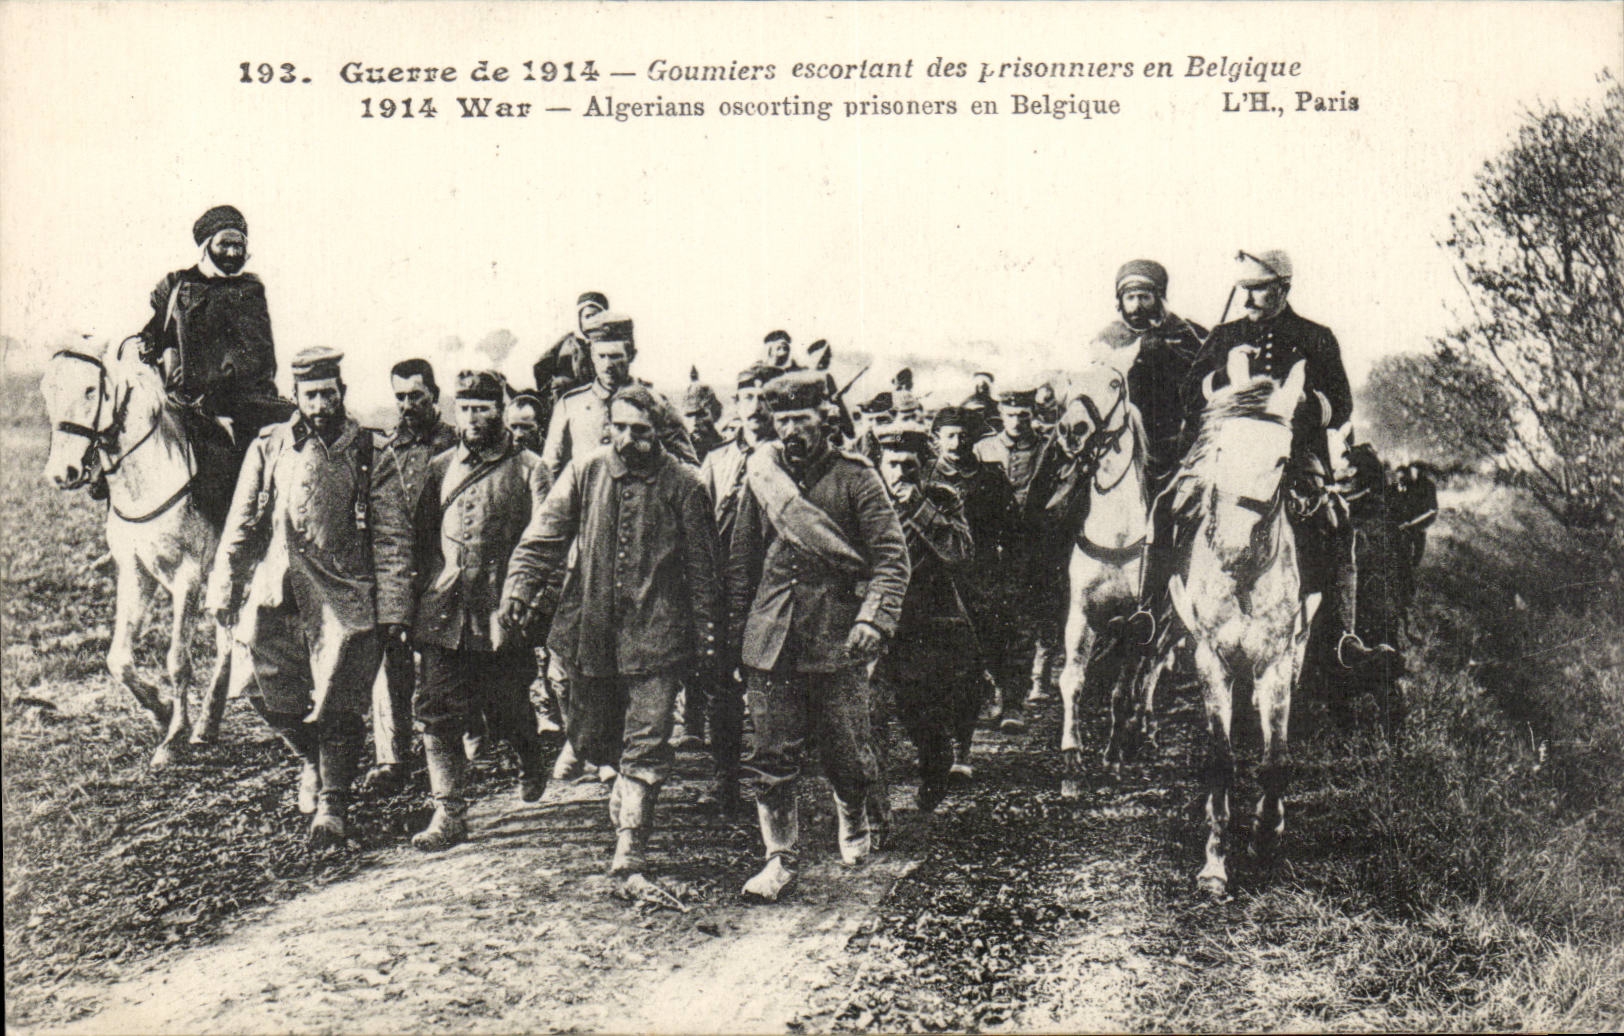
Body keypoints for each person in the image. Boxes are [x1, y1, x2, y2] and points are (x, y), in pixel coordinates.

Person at [503, 385, 723, 876]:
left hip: (658, 636)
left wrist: (708, 642)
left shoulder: (685, 484)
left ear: (659, 432)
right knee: (592, 739)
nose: (628, 440)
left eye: (640, 431)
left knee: (646, 742)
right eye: (619, 428)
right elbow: (544, 537)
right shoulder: (586, 471)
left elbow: (705, 572)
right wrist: (519, 586)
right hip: (592, 633)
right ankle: (624, 795)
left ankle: (631, 842)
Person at [205, 347, 412, 847]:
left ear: (341, 393)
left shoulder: (370, 452)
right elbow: (241, 520)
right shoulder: (269, 446)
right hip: (277, 588)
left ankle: (333, 804)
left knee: (340, 701)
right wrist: (226, 581)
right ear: (295, 397)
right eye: (310, 395)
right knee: (259, 684)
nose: (320, 403)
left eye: (328, 393)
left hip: (345, 596)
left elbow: (392, 538)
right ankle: (310, 761)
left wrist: (393, 608)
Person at [725, 370, 910, 901]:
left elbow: (892, 559)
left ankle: (853, 816)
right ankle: (779, 857)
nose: (791, 431)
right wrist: (739, 635)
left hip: (836, 636)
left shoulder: (857, 476)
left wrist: (873, 619)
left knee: (846, 753)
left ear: (824, 416)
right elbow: (742, 561)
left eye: (801, 419)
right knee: (771, 755)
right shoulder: (763, 475)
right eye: (782, 420)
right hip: (773, 634)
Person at [1180, 249, 1384, 667]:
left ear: (1283, 289)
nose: (1248, 299)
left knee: (1335, 524)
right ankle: (1156, 612)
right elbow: (1187, 395)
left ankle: (1344, 633)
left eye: (1258, 290)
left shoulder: (1316, 337)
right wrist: (1222, 378)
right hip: (1227, 455)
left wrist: (1301, 403)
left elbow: (1341, 406)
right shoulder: (1223, 337)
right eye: (1244, 290)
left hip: (1293, 456)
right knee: (1171, 507)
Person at [402, 371, 557, 850]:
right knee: (436, 709)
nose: (473, 417)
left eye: (484, 407)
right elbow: (421, 541)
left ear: (501, 410)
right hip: (445, 610)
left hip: (502, 611)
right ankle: (449, 813)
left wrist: (535, 605)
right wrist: (415, 603)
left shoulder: (532, 468)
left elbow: (549, 543)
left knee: (507, 708)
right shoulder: (438, 468)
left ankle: (529, 754)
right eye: (465, 407)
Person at [138, 205, 288, 526]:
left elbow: (260, 350)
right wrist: (149, 344)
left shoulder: (251, 289)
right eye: (225, 244)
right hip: (190, 401)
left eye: (239, 245)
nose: (233, 252)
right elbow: (158, 331)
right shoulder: (177, 285)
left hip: (246, 399)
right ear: (207, 245)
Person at [364, 359, 459, 793]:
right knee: (390, 661)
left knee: (448, 662)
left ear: (434, 396)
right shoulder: (385, 451)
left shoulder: (456, 444)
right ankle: (393, 757)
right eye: (399, 397)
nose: (406, 405)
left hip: (443, 568)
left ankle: (458, 743)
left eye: (415, 396)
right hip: (400, 570)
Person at [693, 362, 783, 811]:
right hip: (724, 590)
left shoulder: (787, 457)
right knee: (720, 688)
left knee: (771, 690)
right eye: (747, 397)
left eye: (764, 397)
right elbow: (699, 525)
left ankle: (777, 782)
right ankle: (725, 780)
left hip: (773, 590)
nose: (755, 407)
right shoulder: (717, 460)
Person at [874, 423, 978, 813]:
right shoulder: (867, 500)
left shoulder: (942, 498)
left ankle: (935, 765)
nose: (899, 473)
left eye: (908, 464)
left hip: (929, 621)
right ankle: (873, 812)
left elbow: (960, 553)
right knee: (870, 717)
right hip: (877, 617)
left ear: (924, 465)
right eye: (892, 464)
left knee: (923, 714)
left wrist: (919, 507)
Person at [928, 406, 1010, 781]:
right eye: (949, 435)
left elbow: (1010, 531)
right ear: (936, 439)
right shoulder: (922, 477)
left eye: (963, 435)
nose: (957, 442)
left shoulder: (991, 478)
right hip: (932, 583)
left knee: (969, 668)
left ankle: (963, 749)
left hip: (977, 583)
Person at [1091, 259, 1208, 497]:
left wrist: (1169, 354)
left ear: (1158, 297)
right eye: (1130, 298)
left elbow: (1201, 379)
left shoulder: (1183, 332)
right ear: (1120, 301)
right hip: (1123, 434)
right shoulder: (1109, 338)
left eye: (1144, 297)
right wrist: (1141, 350)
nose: (1137, 305)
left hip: (1175, 435)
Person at [541, 311, 698, 481]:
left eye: (616, 357)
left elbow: (689, 468)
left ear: (631, 355)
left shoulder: (656, 403)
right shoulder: (570, 405)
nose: (608, 365)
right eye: (602, 356)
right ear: (592, 356)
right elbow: (547, 471)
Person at [973, 386, 1046, 729]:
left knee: (1022, 624)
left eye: (1024, 415)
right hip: (987, 548)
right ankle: (994, 694)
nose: (1017, 421)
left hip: (1029, 548)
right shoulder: (982, 449)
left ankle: (1015, 703)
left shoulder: (1047, 450)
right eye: (1011, 414)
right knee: (986, 621)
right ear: (1001, 414)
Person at [531, 290, 607, 412]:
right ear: (580, 319)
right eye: (588, 316)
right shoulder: (568, 342)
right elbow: (541, 366)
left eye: (598, 315)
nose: (593, 320)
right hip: (568, 399)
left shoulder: (609, 343)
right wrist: (554, 388)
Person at [679, 369, 727, 460]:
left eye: (700, 415)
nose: (695, 422)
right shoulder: (687, 447)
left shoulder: (725, 446)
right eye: (691, 416)